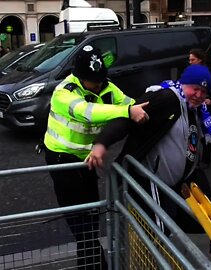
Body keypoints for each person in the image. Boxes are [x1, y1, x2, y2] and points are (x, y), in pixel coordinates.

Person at [43, 45, 149, 269]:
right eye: (93, 80)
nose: (99, 84)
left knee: (91, 220)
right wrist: (127, 112)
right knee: (81, 226)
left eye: (101, 79)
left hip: (88, 160)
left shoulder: (108, 88)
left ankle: (91, 266)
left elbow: (130, 103)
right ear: (79, 76)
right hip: (62, 159)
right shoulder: (64, 92)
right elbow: (87, 112)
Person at [86, 64, 211, 234]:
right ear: (184, 83)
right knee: (157, 232)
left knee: (170, 229)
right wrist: (101, 144)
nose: (199, 95)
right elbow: (127, 118)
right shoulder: (166, 98)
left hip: (173, 185)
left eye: (204, 92)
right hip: (152, 181)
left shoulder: (193, 108)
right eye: (195, 89)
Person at [188, 48, 211, 167]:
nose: (190, 62)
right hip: (194, 106)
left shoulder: (209, 72)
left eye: (193, 59)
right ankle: (194, 158)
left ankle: (206, 159)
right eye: (189, 59)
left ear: (200, 60)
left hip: (207, 108)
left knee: (205, 132)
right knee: (193, 131)